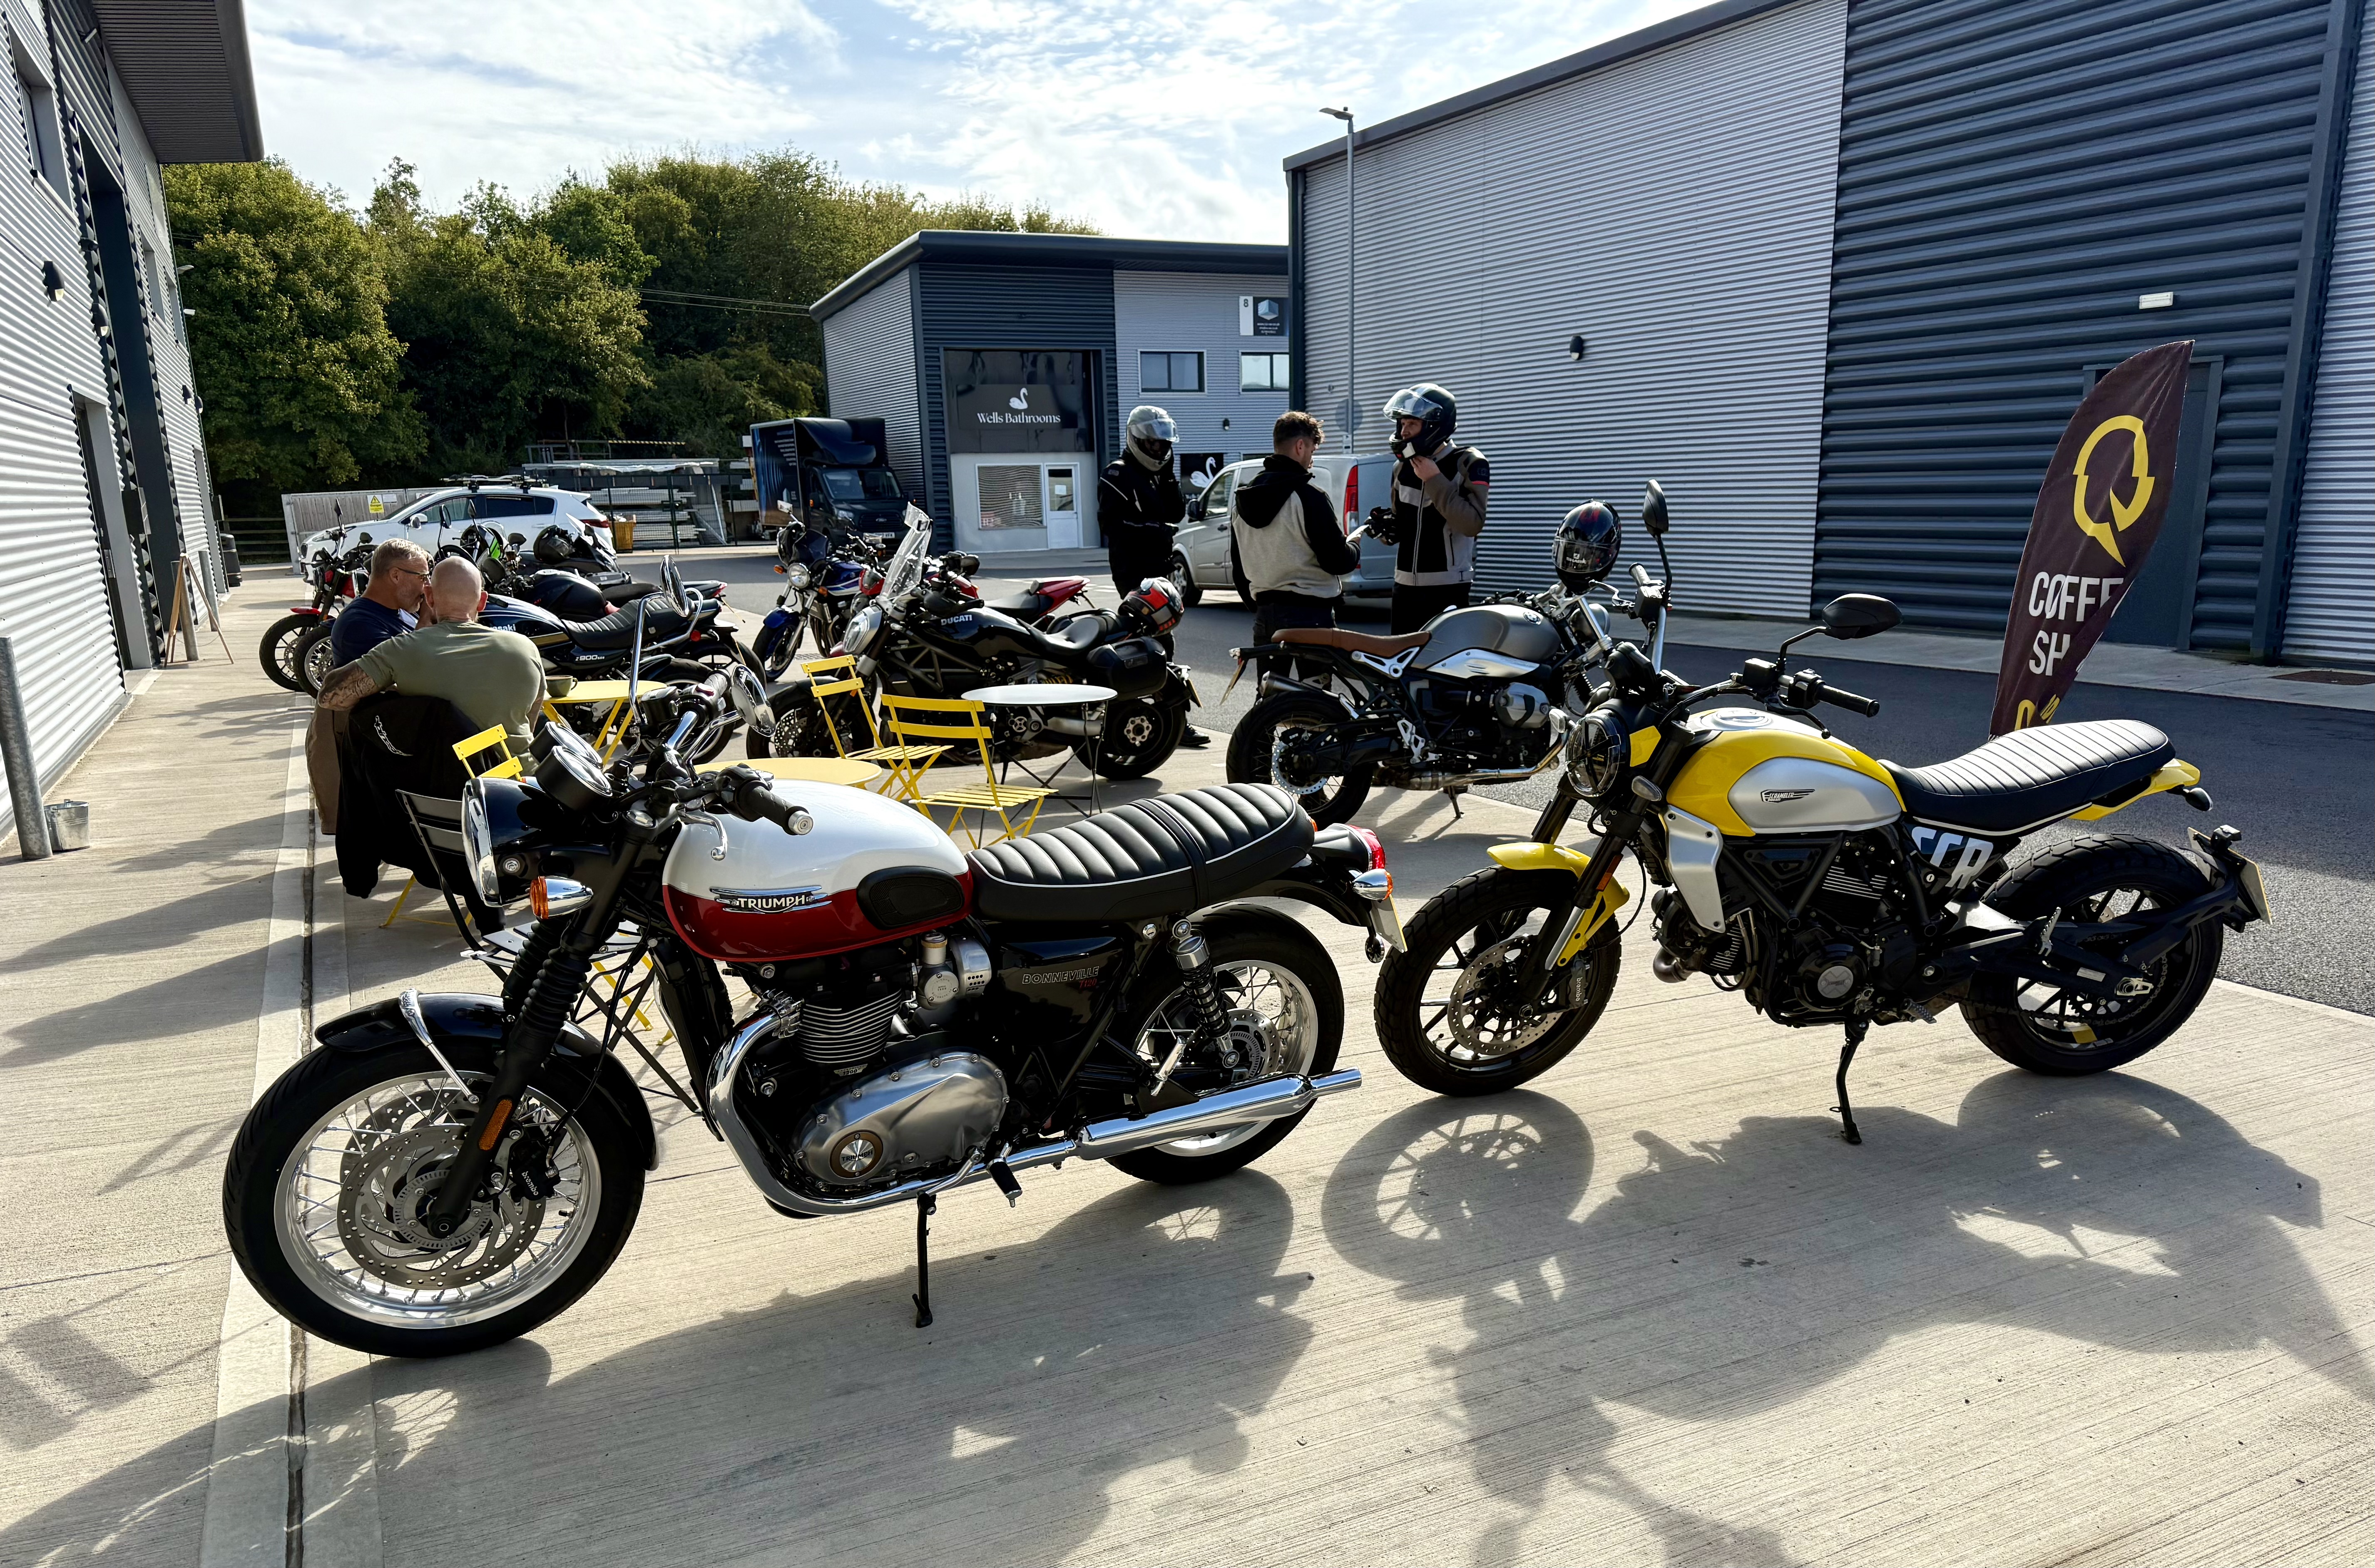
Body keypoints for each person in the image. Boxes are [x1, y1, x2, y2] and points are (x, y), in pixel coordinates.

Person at [316, 557, 546, 750]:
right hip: (518, 785)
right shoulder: (526, 648)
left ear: (429, 596)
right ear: (483, 602)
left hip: (437, 793)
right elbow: (533, 714)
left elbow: (329, 697)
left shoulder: (401, 650)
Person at [1099, 404, 1208, 746]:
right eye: (1153, 444)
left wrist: (1170, 475)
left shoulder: (1158, 474)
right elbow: (1113, 526)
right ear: (1136, 440)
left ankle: (1162, 718)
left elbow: (1176, 511)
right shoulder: (1116, 474)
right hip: (1134, 570)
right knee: (1158, 644)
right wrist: (1155, 530)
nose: (1159, 450)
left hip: (1159, 569)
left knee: (1156, 643)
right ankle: (1173, 721)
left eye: (1163, 444)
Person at [1230, 411, 1361, 673]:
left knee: (1270, 703)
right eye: (1312, 449)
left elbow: (1239, 569)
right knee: (1315, 702)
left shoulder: (1242, 503)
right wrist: (1355, 547)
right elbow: (1336, 560)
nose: (1312, 459)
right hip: (1311, 616)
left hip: (1266, 615)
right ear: (1300, 446)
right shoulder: (1310, 497)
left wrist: (1261, 607)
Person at [1379, 382, 1489, 635]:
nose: (1404, 432)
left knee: (1444, 670)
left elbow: (1472, 524)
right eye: (1402, 424)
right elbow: (1402, 526)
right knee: (1401, 669)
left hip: (1447, 587)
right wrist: (1387, 530)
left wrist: (1435, 480)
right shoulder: (1401, 468)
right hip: (1403, 585)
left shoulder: (1468, 462)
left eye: (1412, 424)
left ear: (1433, 426)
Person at [329, 539, 430, 665]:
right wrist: (427, 619)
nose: (427, 585)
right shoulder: (358, 626)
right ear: (396, 576)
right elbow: (413, 668)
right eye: (423, 577)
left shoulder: (400, 605)